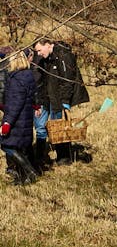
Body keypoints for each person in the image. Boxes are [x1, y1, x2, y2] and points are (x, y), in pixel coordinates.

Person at [33, 37, 89, 165]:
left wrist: (65, 101)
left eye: (40, 50)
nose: (39, 54)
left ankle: (64, 157)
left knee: (60, 128)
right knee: (41, 127)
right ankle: (40, 158)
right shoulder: (45, 58)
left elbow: (67, 81)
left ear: (48, 45)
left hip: (58, 100)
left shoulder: (64, 56)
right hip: (46, 97)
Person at [0, 49, 38, 185]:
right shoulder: (28, 75)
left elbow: (14, 104)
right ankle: (23, 177)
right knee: (19, 147)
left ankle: (30, 172)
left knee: (7, 145)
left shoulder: (16, 80)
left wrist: (7, 123)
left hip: (17, 120)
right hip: (25, 117)